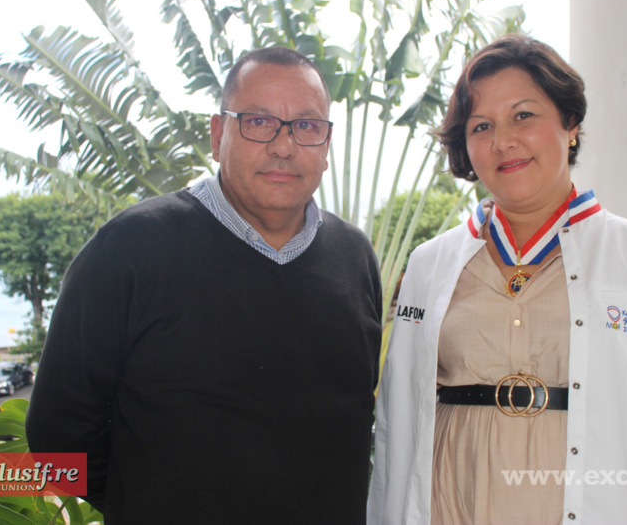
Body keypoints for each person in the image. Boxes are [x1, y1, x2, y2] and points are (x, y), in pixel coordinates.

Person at [367, 34, 627, 524]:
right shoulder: (430, 264)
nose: (503, 141)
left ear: (570, 124)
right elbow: (395, 428)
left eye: (523, 115)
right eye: (482, 126)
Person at [26, 46, 383, 524]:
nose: (283, 145)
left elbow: (356, 422)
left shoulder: (354, 256)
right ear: (218, 136)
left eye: (306, 126)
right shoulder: (130, 248)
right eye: (258, 122)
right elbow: (57, 435)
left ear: (325, 144)